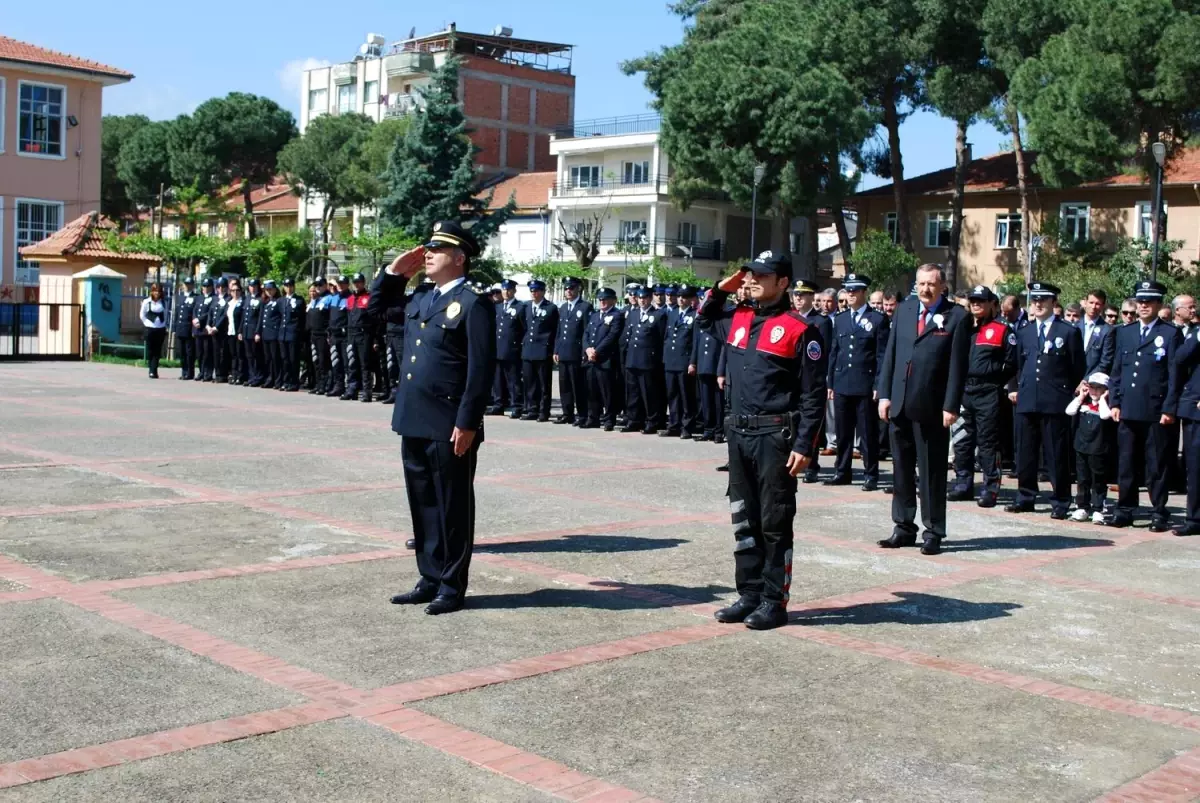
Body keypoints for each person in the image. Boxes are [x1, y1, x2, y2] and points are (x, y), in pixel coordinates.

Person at [370, 221, 495, 615]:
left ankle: (451, 586)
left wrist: (468, 422)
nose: (427, 255)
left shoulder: (474, 303)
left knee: (452, 507)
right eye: (427, 249)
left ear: (459, 259)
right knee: (422, 502)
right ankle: (429, 575)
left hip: (448, 423)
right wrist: (393, 273)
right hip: (413, 417)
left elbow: (480, 369)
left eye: (437, 251)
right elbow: (376, 311)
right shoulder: (422, 297)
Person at [698, 251, 826, 630]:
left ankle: (774, 600)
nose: (752, 281)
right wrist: (724, 286)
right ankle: (749, 593)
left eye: (761, 276)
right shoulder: (738, 319)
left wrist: (805, 445)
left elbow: (813, 395)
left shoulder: (801, 329)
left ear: (783, 282)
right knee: (744, 518)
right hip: (738, 433)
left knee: (774, 520)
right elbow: (705, 316)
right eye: (749, 275)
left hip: (775, 436)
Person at [876, 263, 972, 555]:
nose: (925, 289)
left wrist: (951, 405)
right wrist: (884, 395)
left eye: (931, 284)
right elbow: (891, 354)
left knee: (931, 471)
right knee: (901, 469)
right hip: (900, 402)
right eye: (921, 284)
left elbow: (958, 366)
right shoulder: (905, 310)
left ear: (943, 286)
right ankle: (904, 527)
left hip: (932, 406)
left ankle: (934, 531)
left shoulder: (956, 317)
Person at [1107, 279, 1184, 531]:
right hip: (1128, 408)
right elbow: (1117, 370)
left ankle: (1158, 511)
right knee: (1127, 462)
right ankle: (1125, 509)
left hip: (1155, 410)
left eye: (1148, 302)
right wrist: (1115, 401)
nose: (1142, 306)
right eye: (1140, 301)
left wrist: (1169, 408)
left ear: (1159, 304)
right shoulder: (1125, 332)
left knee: (1156, 464)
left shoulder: (1170, 333)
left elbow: (1174, 375)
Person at [1005, 281, 1086, 519]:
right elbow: (1017, 365)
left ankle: (1061, 500)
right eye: (1035, 300)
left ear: (1053, 302)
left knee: (1056, 453)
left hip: (1055, 400)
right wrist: (1014, 388)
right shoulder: (1024, 332)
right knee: (1026, 452)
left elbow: (1077, 368)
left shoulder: (1068, 332)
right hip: (1028, 398)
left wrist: (1068, 395)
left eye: (1043, 300)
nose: (1038, 304)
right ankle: (1025, 496)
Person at [948, 286, 1016, 507]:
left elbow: (1012, 362)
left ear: (991, 304)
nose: (976, 304)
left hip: (988, 392)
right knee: (961, 441)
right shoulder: (963, 327)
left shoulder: (1002, 329)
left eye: (981, 301)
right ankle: (963, 484)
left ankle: (990, 487)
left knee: (988, 443)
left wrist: (995, 378)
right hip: (964, 392)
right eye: (973, 301)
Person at [825, 273, 889, 491]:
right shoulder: (841, 319)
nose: (850, 294)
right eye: (847, 290)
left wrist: (878, 384)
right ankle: (842, 470)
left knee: (867, 433)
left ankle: (871, 474)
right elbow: (835, 352)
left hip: (865, 383)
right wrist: (831, 383)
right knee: (843, 432)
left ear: (864, 293)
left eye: (854, 291)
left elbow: (881, 356)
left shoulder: (878, 319)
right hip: (842, 382)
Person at [791, 282, 832, 483]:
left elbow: (825, 352)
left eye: (803, 295)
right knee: (794, 422)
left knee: (811, 422)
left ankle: (812, 465)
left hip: (813, 379)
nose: (798, 298)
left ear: (810, 298)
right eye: (796, 295)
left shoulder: (820, 322)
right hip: (793, 378)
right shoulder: (790, 318)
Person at [1066, 373, 1114, 523]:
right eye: (1092, 387)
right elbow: (1069, 411)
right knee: (1082, 478)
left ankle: (1098, 507)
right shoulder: (1083, 402)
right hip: (1082, 446)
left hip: (1098, 447)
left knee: (1098, 479)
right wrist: (1080, 396)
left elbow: (1106, 416)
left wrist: (1103, 400)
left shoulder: (1106, 405)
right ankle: (1082, 506)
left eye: (1098, 388)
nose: (1094, 391)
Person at [621, 286, 668, 434]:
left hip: (648, 361)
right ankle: (634, 420)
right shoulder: (633, 314)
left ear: (650, 298)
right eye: (640, 298)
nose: (642, 300)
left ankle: (652, 421)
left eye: (645, 297)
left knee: (649, 394)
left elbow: (661, 339)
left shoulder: (659, 315)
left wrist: (657, 360)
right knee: (633, 393)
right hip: (633, 359)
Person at [584, 287, 625, 430]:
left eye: (605, 299)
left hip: (605, 359)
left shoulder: (617, 315)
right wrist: (588, 348)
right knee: (592, 390)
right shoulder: (595, 315)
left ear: (613, 300)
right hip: (591, 358)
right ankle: (593, 417)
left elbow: (612, 336)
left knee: (607, 391)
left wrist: (596, 351)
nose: (602, 302)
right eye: (600, 299)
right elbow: (587, 333)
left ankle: (609, 420)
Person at [1172, 326, 1200, 536]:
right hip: (1194, 410)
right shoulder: (1195, 334)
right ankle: (1194, 518)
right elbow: (1179, 359)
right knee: (1195, 467)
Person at [553, 277, 592, 425]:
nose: (568, 291)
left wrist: (584, 352)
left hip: (576, 352)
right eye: (566, 289)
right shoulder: (563, 308)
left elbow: (586, 332)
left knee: (578, 386)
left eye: (571, 288)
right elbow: (559, 331)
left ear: (578, 290)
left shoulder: (585, 307)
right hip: (563, 351)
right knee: (565, 385)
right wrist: (556, 350)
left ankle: (582, 414)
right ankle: (567, 413)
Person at [662, 285, 699, 438]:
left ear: (691, 299)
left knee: (686, 396)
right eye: (679, 296)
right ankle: (674, 425)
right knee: (672, 395)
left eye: (684, 297)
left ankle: (687, 427)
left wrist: (693, 362)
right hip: (671, 360)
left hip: (684, 361)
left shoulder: (695, 315)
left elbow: (695, 341)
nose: (681, 299)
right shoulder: (672, 313)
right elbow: (667, 337)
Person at [519, 280, 557, 421]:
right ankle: (532, 409)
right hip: (528, 349)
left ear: (542, 292)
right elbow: (524, 326)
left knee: (543, 384)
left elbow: (554, 330)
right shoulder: (526, 307)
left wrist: (553, 349)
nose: (534, 293)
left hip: (543, 350)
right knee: (530, 382)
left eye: (536, 291)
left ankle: (543, 411)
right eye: (532, 291)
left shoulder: (551, 308)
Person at [489, 279, 526, 418]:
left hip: (512, 350)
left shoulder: (520, 307)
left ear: (514, 291)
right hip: (498, 349)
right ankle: (499, 404)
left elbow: (524, 329)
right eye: (504, 289)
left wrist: (520, 347)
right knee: (497, 380)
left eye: (509, 289)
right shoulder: (497, 307)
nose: (506, 292)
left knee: (514, 381)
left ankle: (517, 406)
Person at [343, 273, 372, 401]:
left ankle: (367, 391)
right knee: (351, 363)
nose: (357, 284)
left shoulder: (368, 297)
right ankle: (352, 389)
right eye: (355, 282)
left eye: (359, 282)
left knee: (364, 364)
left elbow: (373, 319)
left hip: (363, 334)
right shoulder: (349, 299)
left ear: (363, 282)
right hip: (351, 334)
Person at [279, 277, 306, 392]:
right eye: (286, 286)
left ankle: (294, 382)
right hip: (283, 334)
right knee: (285, 359)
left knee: (293, 359)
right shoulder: (281, 300)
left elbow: (301, 318)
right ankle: (286, 381)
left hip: (293, 333)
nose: (288, 288)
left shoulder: (299, 300)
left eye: (290, 286)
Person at [326, 276, 351, 398]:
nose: (340, 286)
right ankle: (338, 386)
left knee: (347, 363)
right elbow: (330, 317)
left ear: (347, 285)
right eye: (339, 283)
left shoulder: (350, 298)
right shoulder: (334, 298)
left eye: (343, 283)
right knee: (336, 362)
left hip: (345, 335)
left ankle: (350, 387)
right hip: (334, 335)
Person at [139, 283, 168, 379]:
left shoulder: (164, 302)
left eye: (159, 291)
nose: (157, 293)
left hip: (160, 329)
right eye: (155, 291)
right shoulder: (146, 302)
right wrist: (147, 323)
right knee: (150, 350)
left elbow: (166, 314)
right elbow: (142, 315)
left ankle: (154, 370)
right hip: (149, 329)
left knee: (157, 350)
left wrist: (164, 325)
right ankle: (150, 368)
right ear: (151, 291)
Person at [241, 278, 265, 387]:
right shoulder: (247, 298)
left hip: (254, 331)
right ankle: (251, 376)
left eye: (255, 286)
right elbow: (243, 317)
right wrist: (240, 331)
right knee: (249, 355)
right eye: (251, 286)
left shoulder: (261, 299)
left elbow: (260, 318)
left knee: (256, 355)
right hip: (246, 331)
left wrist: (257, 332)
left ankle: (258, 377)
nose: (252, 288)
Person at [259, 280, 283, 389]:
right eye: (267, 289)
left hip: (274, 333)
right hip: (266, 334)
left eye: (271, 289)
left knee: (275, 358)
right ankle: (270, 378)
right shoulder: (266, 302)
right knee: (268, 358)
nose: (269, 291)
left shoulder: (279, 301)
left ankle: (277, 380)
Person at [207, 277, 231, 382]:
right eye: (219, 287)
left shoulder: (228, 299)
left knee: (223, 353)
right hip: (212, 330)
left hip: (222, 330)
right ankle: (217, 373)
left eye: (223, 287)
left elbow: (225, 315)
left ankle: (223, 374)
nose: (221, 289)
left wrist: (216, 327)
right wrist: (208, 325)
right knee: (215, 353)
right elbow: (210, 313)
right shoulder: (215, 299)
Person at [172, 277, 197, 380]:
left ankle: (190, 372)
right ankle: (184, 371)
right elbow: (176, 314)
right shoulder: (180, 297)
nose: (187, 286)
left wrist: (194, 330)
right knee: (182, 352)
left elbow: (195, 314)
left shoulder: (196, 297)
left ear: (193, 286)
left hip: (189, 329)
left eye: (189, 284)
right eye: (186, 284)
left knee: (189, 352)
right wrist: (174, 328)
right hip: (180, 328)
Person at [193, 277, 216, 382]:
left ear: (212, 287)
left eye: (208, 286)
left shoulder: (214, 298)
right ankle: (201, 372)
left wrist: (199, 319)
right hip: (198, 329)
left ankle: (208, 373)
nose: (206, 288)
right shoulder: (199, 298)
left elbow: (209, 313)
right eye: (204, 286)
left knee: (207, 352)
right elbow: (194, 310)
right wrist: (194, 319)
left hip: (206, 329)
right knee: (199, 352)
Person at [226, 278, 245, 384]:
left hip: (238, 332)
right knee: (233, 355)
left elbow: (243, 319)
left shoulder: (242, 303)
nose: (235, 292)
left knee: (240, 355)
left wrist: (240, 331)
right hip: (230, 332)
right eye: (233, 290)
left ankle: (240, 375)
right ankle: (233, 374)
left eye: (237, 290)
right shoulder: (229, 303)